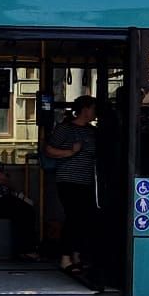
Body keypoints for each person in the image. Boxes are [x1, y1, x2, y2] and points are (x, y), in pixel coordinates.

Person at [43, 95, 100, 283]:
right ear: (84, 109)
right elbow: (49, 150)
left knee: (85, 219)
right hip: (68, 180)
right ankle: (65, 257)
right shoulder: (65, 129)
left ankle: (76, 255)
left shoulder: (92, 131)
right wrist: (71, 152)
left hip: (87, 181)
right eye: (93, 108)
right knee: (74, 217)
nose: (94, 112)